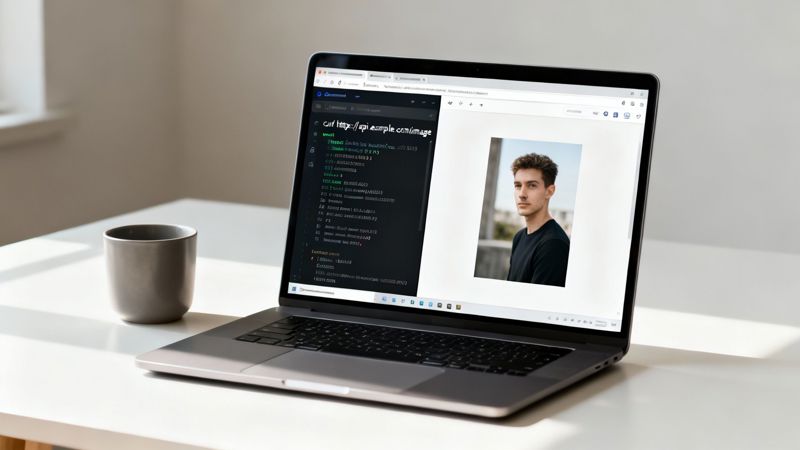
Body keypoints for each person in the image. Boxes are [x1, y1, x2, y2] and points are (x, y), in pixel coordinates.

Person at [507, 153, 570, 287]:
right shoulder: (519, 237)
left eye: (532, 185)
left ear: (549, 191)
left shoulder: (553, 245)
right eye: (518, 185)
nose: (522, 194)